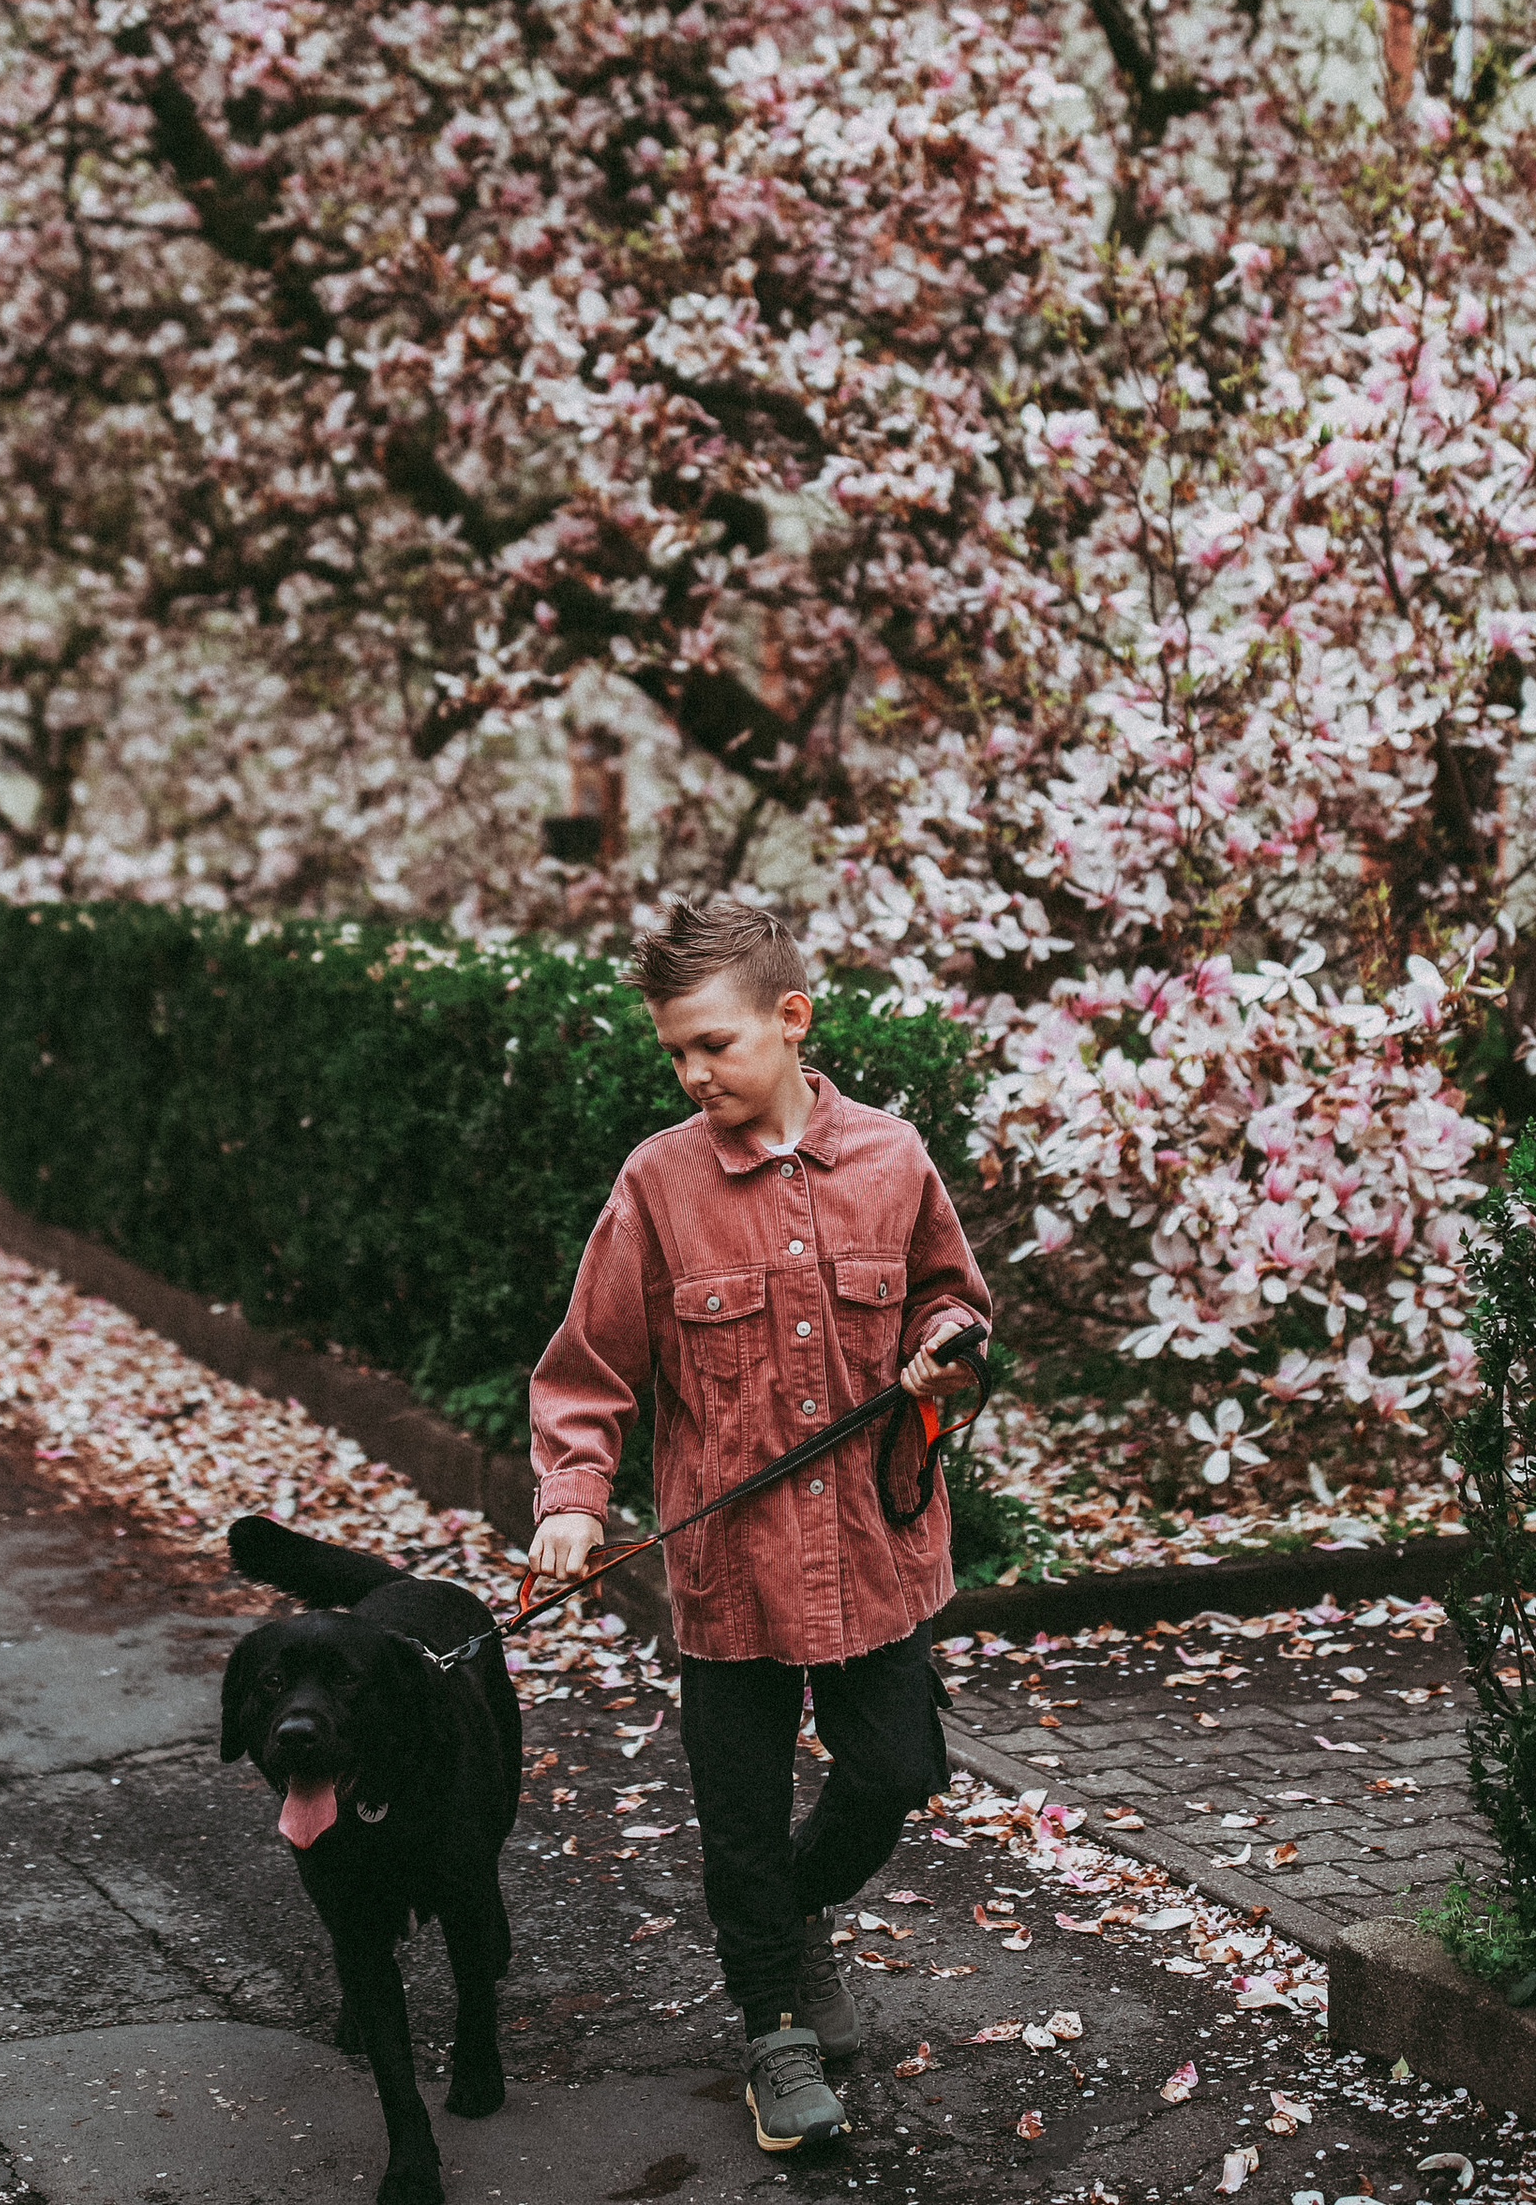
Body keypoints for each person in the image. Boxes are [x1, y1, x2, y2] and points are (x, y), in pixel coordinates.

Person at [526, 896, 991, 2156]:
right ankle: (774, 2028)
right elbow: (587, 1367)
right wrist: (573, 1499)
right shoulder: (657, 1183)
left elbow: (951, 1296)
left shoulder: (893, 1156)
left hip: (877, 1553)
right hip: (728, 1571)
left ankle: (785, 1918)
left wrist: (945, 1344)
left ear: (791, 1019)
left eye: (714, 1044)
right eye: (674, 1051)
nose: (692, 1072)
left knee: (895, 1771)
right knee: (738, 1815)